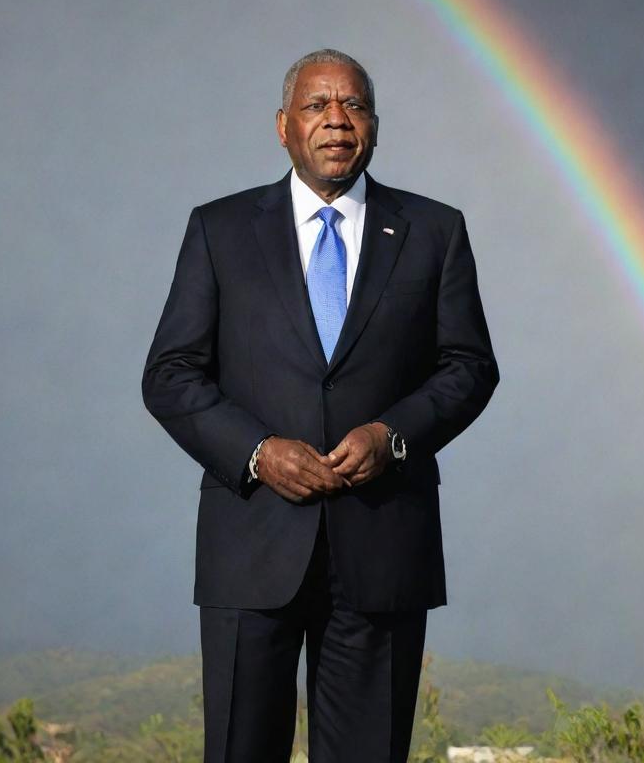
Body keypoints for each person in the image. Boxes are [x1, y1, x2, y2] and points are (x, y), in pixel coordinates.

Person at [143, 48, 498, 763]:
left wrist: (392, 435)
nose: (336, 121)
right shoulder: (219, 230)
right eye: (316, 106)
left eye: (354, 106)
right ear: (282, 126)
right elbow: (171, 373)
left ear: (374, 126)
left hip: (383, 547)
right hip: (251, 549)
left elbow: (468, 367)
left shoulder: (435, 232)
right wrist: (257, 452)